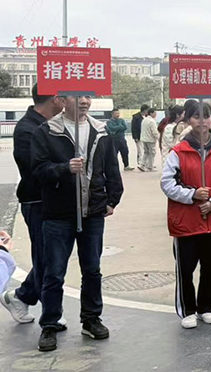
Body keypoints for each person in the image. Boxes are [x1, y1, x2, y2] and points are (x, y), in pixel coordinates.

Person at [31, 95, 123, 352]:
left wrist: (112, 199)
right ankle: (50, 323)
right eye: (77, 96)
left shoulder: (101, 130)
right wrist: (64, 168)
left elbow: (111, 168)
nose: (84, 101)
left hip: (93, 212)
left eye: (88, 96)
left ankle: (91, 319)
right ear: (62, 99)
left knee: (92, 269)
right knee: (54, 271)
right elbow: (37, 170)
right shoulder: (47, 131)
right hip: (58, 213)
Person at [160, 100, 211, 329]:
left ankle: (207, 307)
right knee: (185, 267)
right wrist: (192, 194)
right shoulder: (178, 152)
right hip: (186, 220)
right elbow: (167, 183)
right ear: (187, 120)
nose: (202, 121)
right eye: (196, 116)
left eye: (206, 116)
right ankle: (187, 310)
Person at [1, 86, 63, 326]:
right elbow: (34, 169)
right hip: (37, 201)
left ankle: (22, 295)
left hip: (54, 200)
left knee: (52, 255)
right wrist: (63, 167)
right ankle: (50, 312)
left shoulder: (52, 124)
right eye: (64, 97)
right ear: (55, 99)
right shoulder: (27, 129)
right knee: (46, 256)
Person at [139, 107, 160, 172]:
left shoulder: (144, 120)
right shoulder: (152, 121)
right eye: (155, 113)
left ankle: (142, 165)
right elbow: (154, 132)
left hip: (144, 139)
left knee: (146, 152)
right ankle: (150, 167)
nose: (156, 114)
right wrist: (158, 138)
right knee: (152, 153)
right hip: (150, 139)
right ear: (151, 113)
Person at [131, 105, 148, 170]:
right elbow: (133, 128)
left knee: (145, 150)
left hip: (145, 136)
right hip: (138, 136)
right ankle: (140, 163)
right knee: (140, 150)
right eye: (147, 110)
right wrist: (135, 137)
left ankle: (145, 163)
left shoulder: (147, 117)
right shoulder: (136, 117)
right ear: (144, 110)